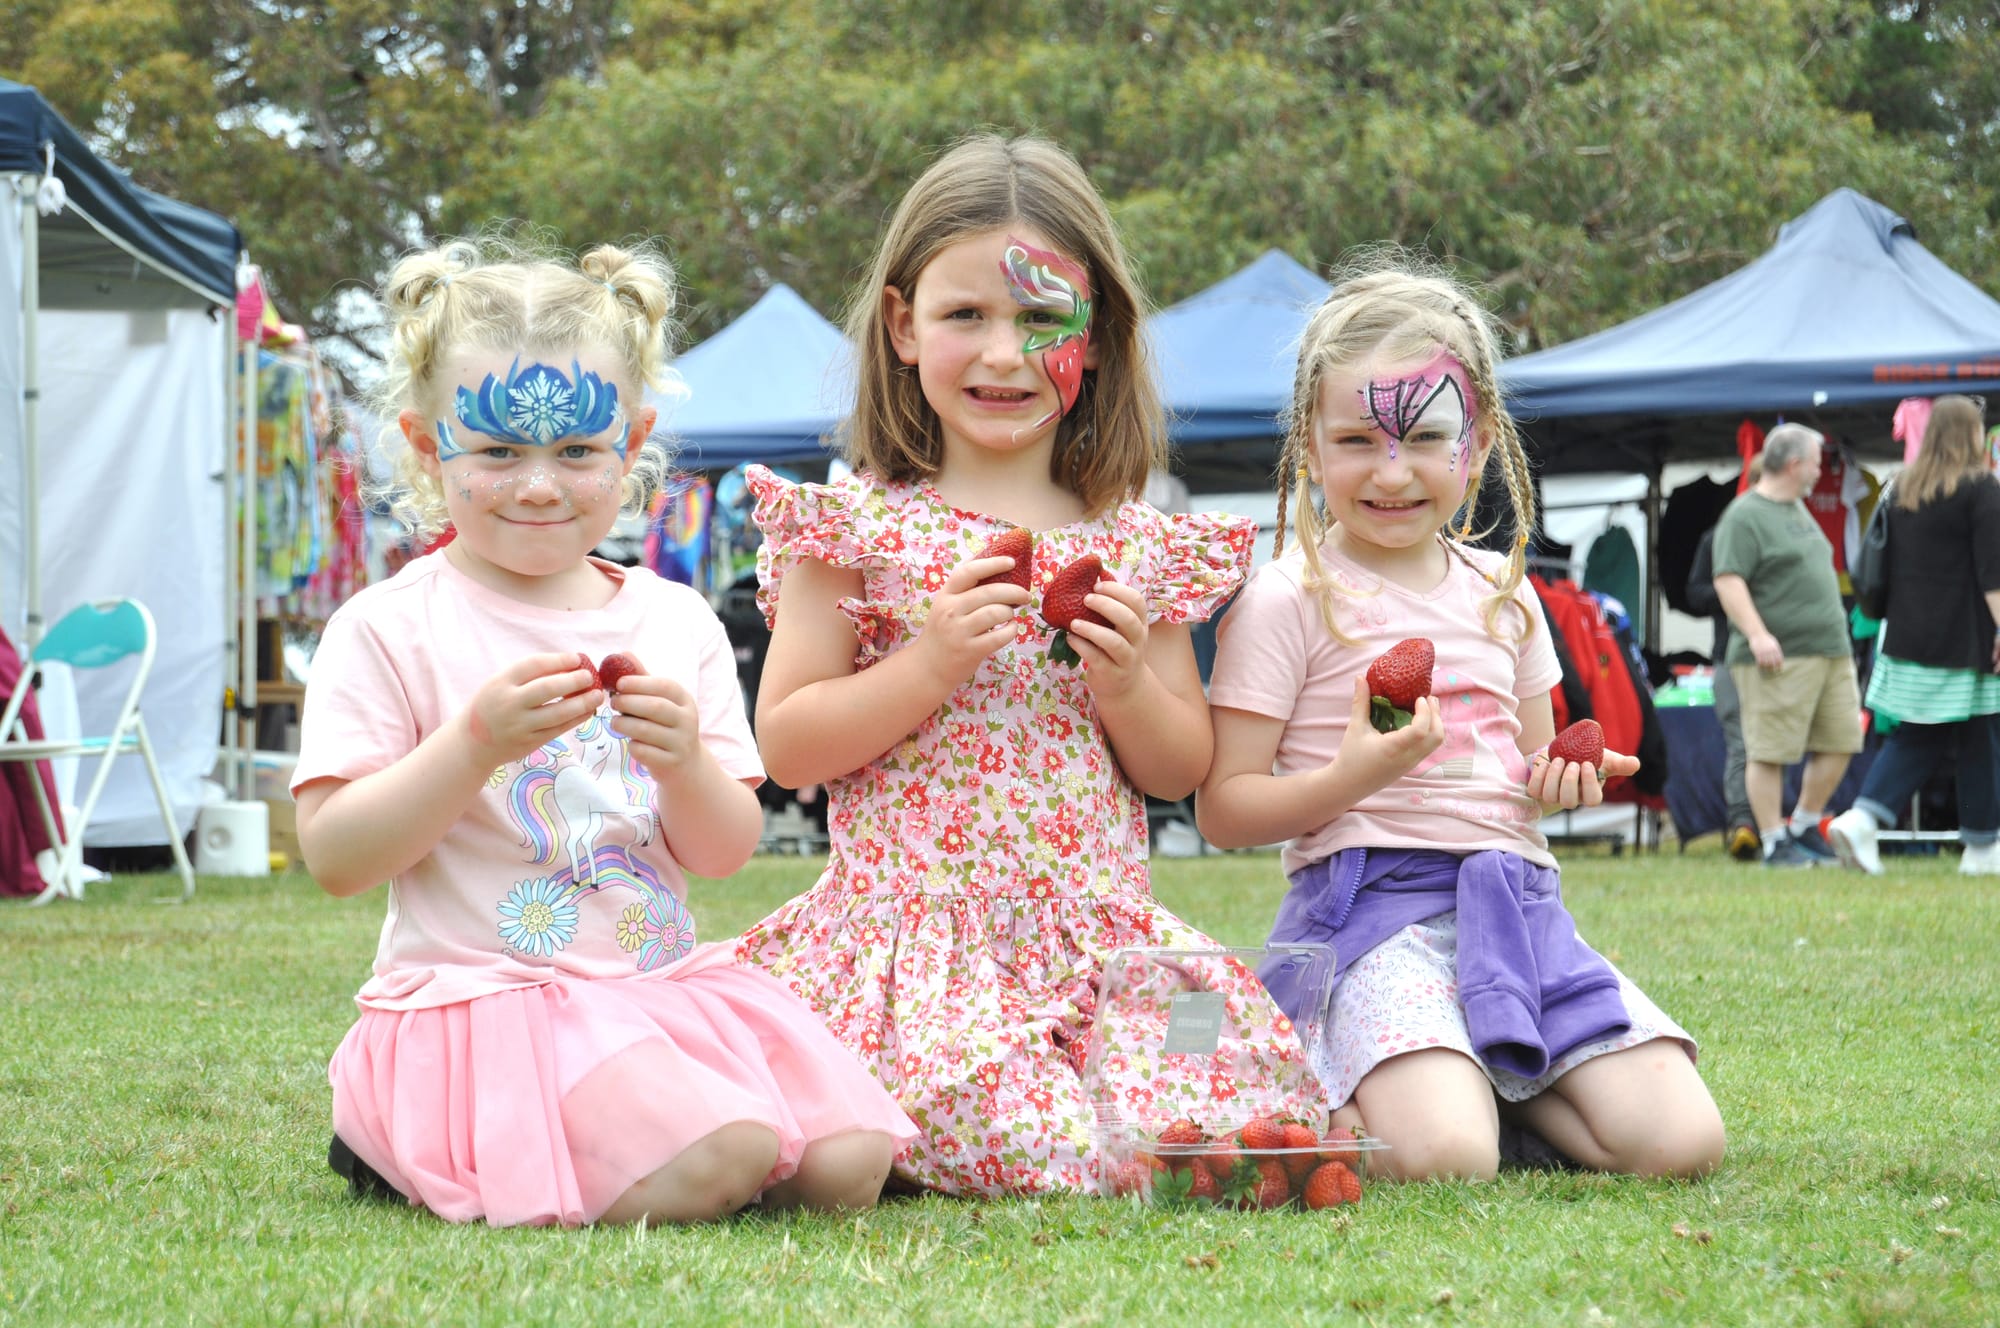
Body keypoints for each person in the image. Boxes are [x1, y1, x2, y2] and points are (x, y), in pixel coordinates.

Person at [737, 135, 1326, 1197]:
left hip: (1105, 950)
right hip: (919, 954)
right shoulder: (854, 530)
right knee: (1029, 1133)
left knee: (1225, 1077)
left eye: (1042, 317)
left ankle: (1182, 1136)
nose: (1004, 353)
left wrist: (1126, 684)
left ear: (1096, 338)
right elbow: (787, 745)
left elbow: (1176, 767)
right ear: (902, 326)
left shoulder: (1134, 541)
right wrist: (929, 662)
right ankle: (1035, 1142)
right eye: (966, 315)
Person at [291, 236, 914, 1228]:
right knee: (728, 1152)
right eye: (497, 452)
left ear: (633, 441)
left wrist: (684, 764)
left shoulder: (674, 620)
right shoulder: (388, 627)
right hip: (484, 1004)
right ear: (424, 444)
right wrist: (472, 745)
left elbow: (722, 852)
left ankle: (661, 1133)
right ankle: (419, 1135)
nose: (539, 484)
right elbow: (335, 857)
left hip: (654, 989)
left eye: (578, 451)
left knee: (850, 1161)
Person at [1195, 258, 1725, 1181]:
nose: (1391, 471)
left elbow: (1527, 773)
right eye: (1356, 439)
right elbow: (1223, 809)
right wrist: (1352, 778)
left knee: (1683, 1143)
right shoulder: (1285, 599)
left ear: (1475, 447)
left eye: (1425, 438)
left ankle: (1474, 1081)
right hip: (1368, 919)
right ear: (1309, 446)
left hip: (1517, 913)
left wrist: (1561, 782)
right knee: (1448, 1157)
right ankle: (1336, 1084)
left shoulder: (1507, 595)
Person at [1828, 395, 2000, 876]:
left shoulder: (1902, 487)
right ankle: (1980, 846)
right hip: (1968, 642)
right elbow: (1993, 574)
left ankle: (1869, 819)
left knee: (1931, 735)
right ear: (1972, 434)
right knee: (1977, 735)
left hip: (1908, 639)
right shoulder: (1981, 489)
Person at [1710, 424, 1864, 868]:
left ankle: (1803, 826)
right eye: (1816, 462)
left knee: (1842, 739)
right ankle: (1775, 841)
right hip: (1779, 656)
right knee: (1769, 750)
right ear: (1795, 464)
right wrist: (1758, 634)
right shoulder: (1744, 515)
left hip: (1829, 650)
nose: (1821, 471)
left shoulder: (1797, 508)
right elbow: (1728, 579)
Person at [1685, 461, 1763, 862]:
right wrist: (1733, 594)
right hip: (1730, 657)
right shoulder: (1717, 537)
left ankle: (1773, 825)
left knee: (1772, 744)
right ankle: (1744, 825)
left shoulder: (1788, 536)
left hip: (1779, 660)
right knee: (1741, 744)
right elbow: (1693, 594)